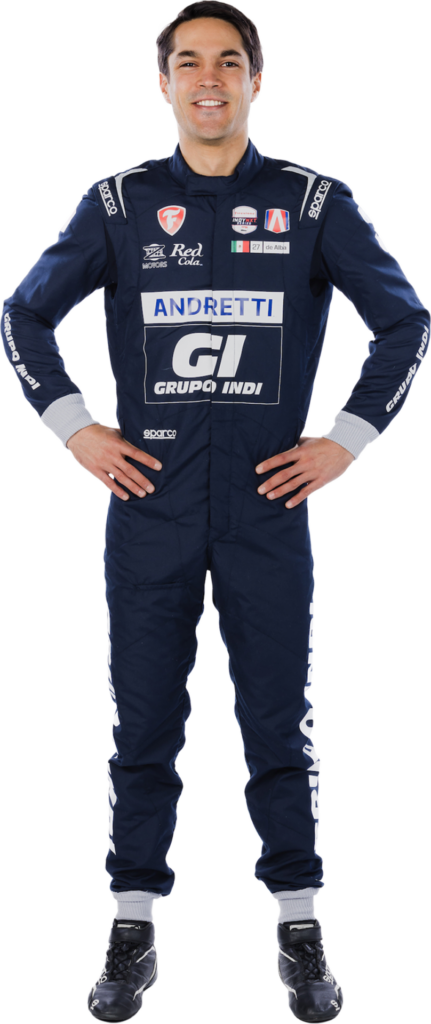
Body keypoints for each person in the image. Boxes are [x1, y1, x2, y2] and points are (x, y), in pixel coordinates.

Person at [1, 2, 429, 1021]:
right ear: (163, 84)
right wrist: (75, 428)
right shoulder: (119, 205)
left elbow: (403, 321)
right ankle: (131, 932)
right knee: (144, 724)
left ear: (253, 80)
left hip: (264, 507)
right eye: (187, 61)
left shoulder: (310, 204)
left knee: (275, 723)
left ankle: (299, 928)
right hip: (148, 506)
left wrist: (345, 440)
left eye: (228, 61)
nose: (207, 78)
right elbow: (23, 314)